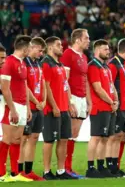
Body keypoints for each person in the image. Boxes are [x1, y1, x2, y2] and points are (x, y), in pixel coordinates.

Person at [41, 37, 76, 180]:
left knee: (64, 139)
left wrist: (70, 103)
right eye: (58, 45)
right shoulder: (46, 64)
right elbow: (46, 86)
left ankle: (61, 171)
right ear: (50, 48)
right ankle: (46, 171)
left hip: (63, 108)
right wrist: (54, 105)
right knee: (49, 140)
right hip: (51, 109)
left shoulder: (60, 65)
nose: (62, 47)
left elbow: (65, 85)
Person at [0, 36, 34, 182]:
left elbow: (24, 87)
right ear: (25, 48)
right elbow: (5, 88)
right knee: (7, 139)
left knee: (17, 139)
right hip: (11, 105)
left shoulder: (23, 63)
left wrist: (27, 107)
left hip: (21, 105)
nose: (31, 50)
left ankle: (15, 173)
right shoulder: (9, 62)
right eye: (30, 47)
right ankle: (1, 174)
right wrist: (12, 109)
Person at [85, 39, 118, 178]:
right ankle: (90, 168)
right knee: (96, 137)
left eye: (108, 49)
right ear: (97, 50)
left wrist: (116, 100)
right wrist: (111, 101)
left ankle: (100, 166)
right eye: (105, 49)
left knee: (105, 138)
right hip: (99, 107)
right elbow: (97, 89)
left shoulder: (105, 67)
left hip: (109, 107)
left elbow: (111, 86)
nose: (108, 52)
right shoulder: (93, 66)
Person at [60, 28, 90, 178]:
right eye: (86, 38)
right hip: (73, 97)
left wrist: (88, 101)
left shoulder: (83, 57)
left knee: (75, 134)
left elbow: (85, 80)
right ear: (77, 40)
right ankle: (64, 168)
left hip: (82, 97)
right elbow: (64, 80)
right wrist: (69, 101)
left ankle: (69, 167)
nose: (88, 41)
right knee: (68, 133)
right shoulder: (67, 54)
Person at [20, 37, 47, 181]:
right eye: (39, 50)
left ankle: (29, 171)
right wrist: (36, 101)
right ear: (32, 47)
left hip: (38, 106)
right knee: (23, 138)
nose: (41, 53)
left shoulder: (38, 64)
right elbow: (24, 85)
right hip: (28, 106)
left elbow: (42, 83)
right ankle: (19, 172)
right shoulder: (24, 62)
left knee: (34, 138)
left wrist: (43, 101)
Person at [108, 39, 125, 177]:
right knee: (114, 136)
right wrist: (114, 102)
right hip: (118, 106)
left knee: (122, 136)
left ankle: (116, 165)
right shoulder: (113, 64)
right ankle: (110, 166)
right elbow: (108, 84)